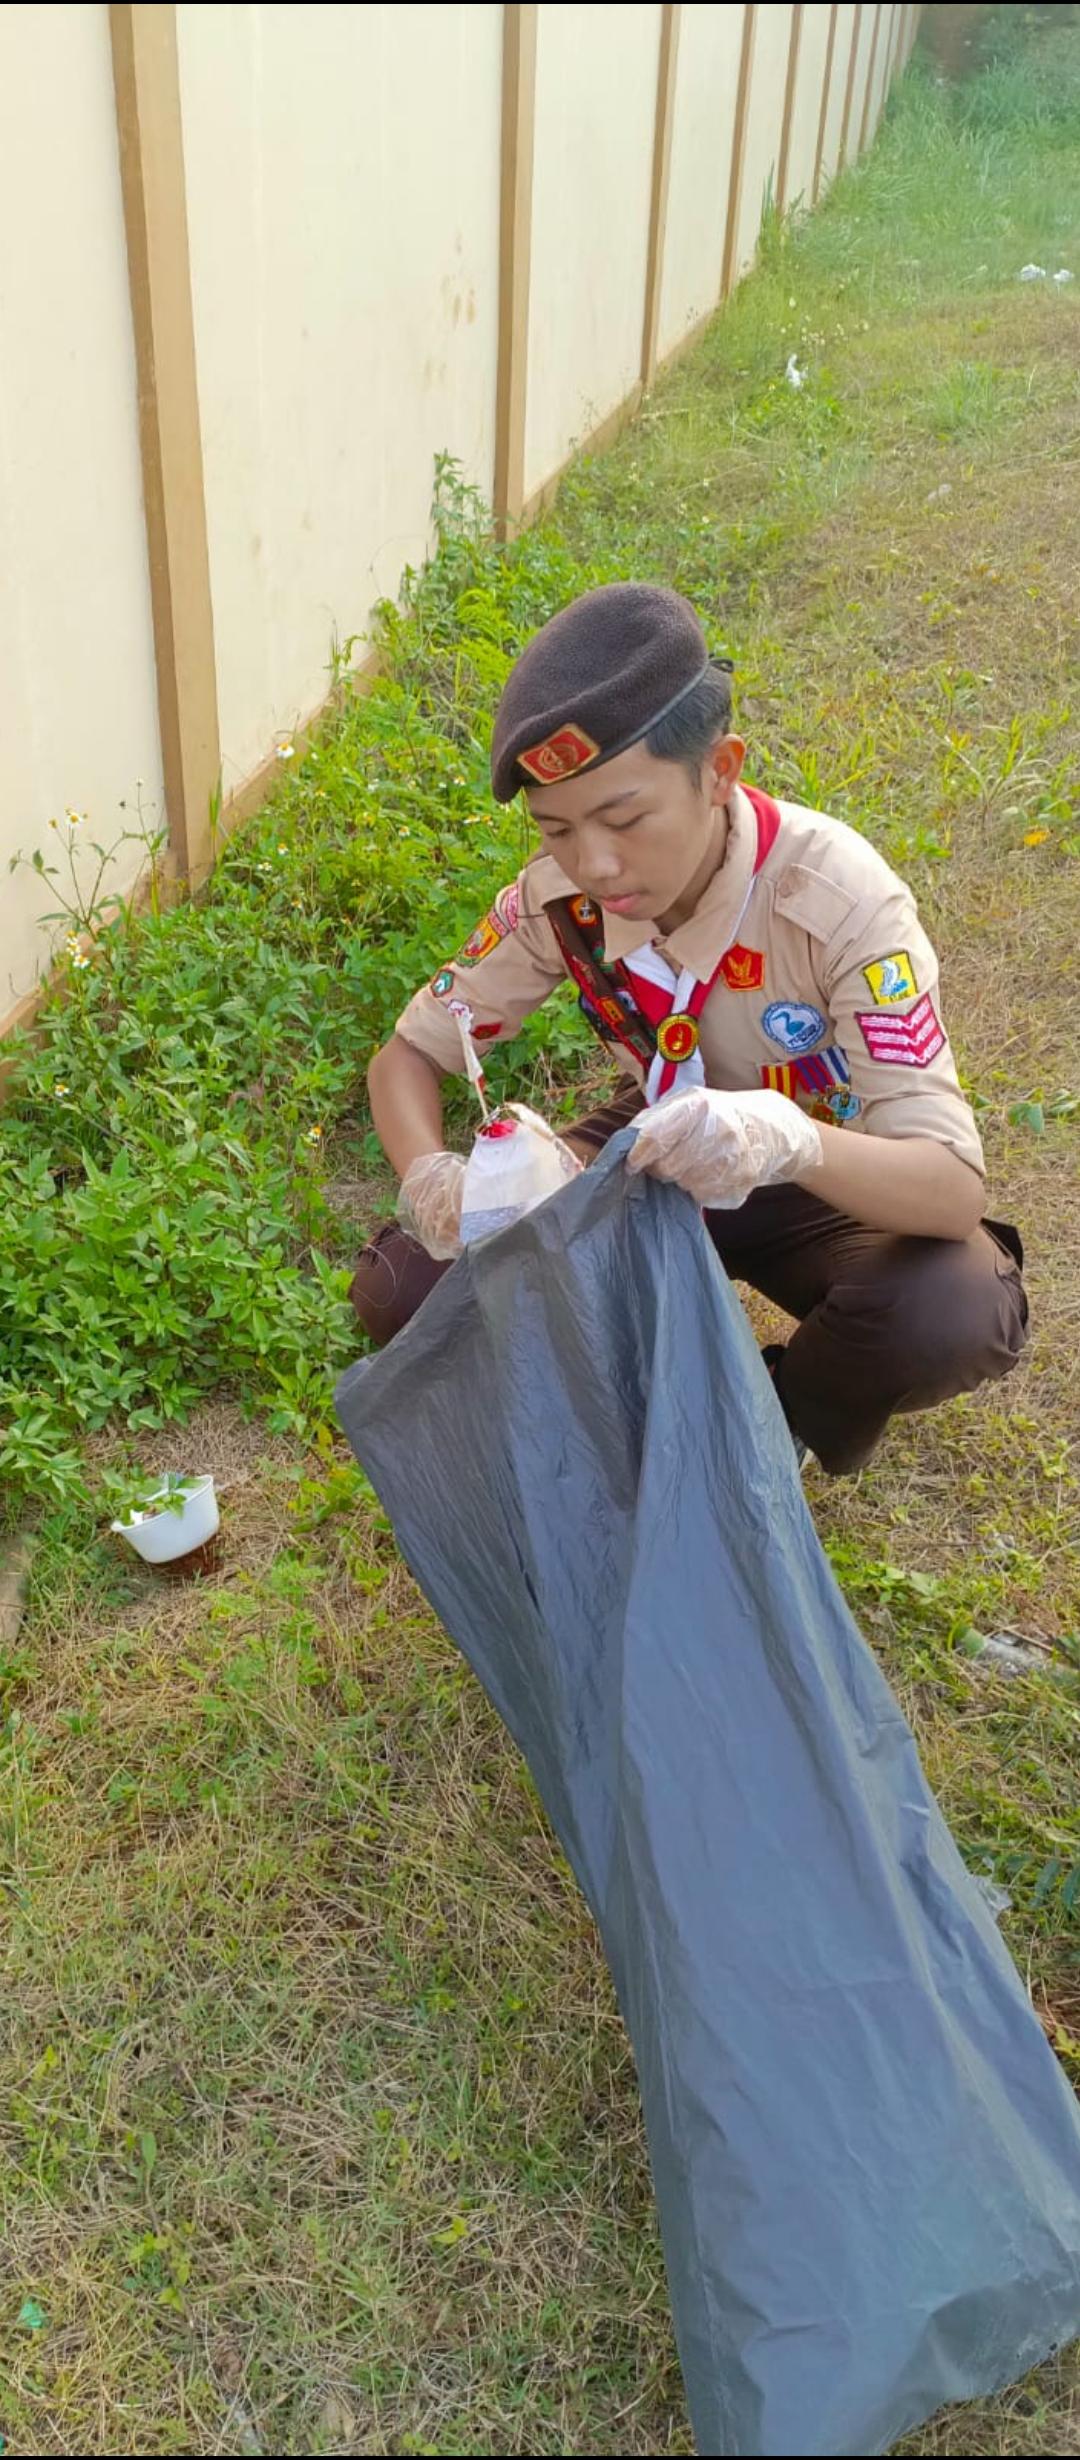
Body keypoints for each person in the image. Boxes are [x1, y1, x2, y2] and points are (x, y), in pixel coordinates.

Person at [354, 583, 1027, 1474]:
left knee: (951, 1308)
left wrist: (787, 1138)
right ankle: (637, 1391)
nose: (595, 864)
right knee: (408, 1288)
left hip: (825, 1170)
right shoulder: (558, 901)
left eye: (625, 818)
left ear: (719, 771)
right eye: (556, 830)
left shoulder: (837, 901)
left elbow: (949, 1190)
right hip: (653, 1149)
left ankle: (775, 1423)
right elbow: (407, 1054)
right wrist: (432, 1177)